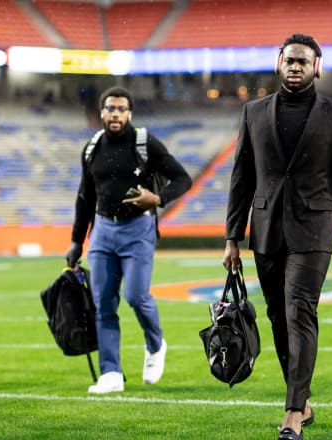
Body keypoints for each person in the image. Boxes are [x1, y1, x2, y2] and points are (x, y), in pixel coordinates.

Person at [223, 34, 332, 440]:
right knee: (276, 316)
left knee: (299, 311)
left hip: (315, 230)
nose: (296, 67)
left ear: (317, 67)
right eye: (290, 60)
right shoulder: (252, 112)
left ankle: (291, 413)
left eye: (304, 61)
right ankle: (302, 399)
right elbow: (241, 179)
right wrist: (232, 238)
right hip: (266, 231)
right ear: (278, 62)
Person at [65, 86, 192, 394]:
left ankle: (155, 343)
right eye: (111, 108)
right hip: (103, 233)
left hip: (138, 230)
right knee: (104, 304)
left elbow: (183, 178)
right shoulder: (92, 148)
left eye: (122, 109)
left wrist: (158, 198)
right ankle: (111, 373)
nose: (116, 114)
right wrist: (76, 241)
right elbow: (85, 198)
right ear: (102, 112)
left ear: (130, 113)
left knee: (136, 296)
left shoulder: (145, 143)